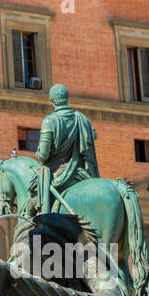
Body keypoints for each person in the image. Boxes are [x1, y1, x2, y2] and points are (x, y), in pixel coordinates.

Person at [31, 84, 99, 214]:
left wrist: (39, 151)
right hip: (81, 174)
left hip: (58, 176)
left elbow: (43, 156)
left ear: (52, 100)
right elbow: (93, 136)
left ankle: (37, 233)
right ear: (67, 98)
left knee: (33, 202)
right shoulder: (82, 119)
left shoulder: (49, 121)